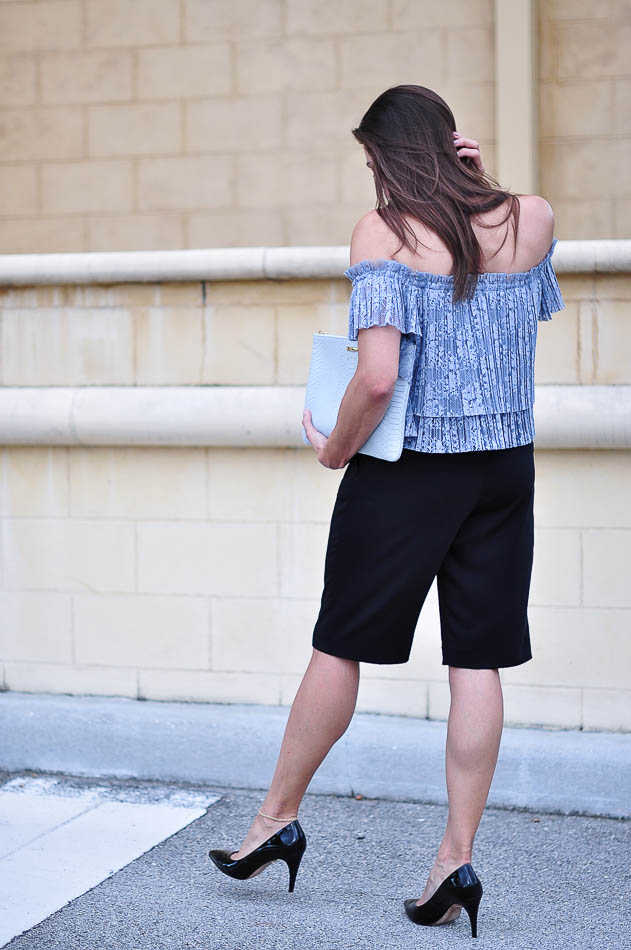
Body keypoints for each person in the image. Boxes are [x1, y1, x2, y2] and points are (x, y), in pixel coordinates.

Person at [208, 84, 565, 939]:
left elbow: (374, 378)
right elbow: (510, 291)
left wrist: (333, 449)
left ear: (384, 155)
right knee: (476, 660)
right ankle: (454, 860)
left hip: (407, 474)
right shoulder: (532, 218)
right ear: (449, 144)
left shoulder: (385, 234)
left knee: (340, 644)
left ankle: (274, 820)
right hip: (503, 469)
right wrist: (482, 184)